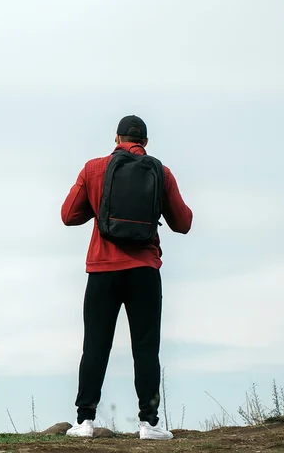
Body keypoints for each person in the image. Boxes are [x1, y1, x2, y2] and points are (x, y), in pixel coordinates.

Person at [61, 115, 192, 440]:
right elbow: (184, 223)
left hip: (102, 270)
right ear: (145, 142)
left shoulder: (94, 169)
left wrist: (99, 203)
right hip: (144, 271)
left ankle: (85, 423)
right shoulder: (160, 172)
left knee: (95, 345)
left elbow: (68, 215)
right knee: (146, 349)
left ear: (116, 138)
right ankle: (148, 425)